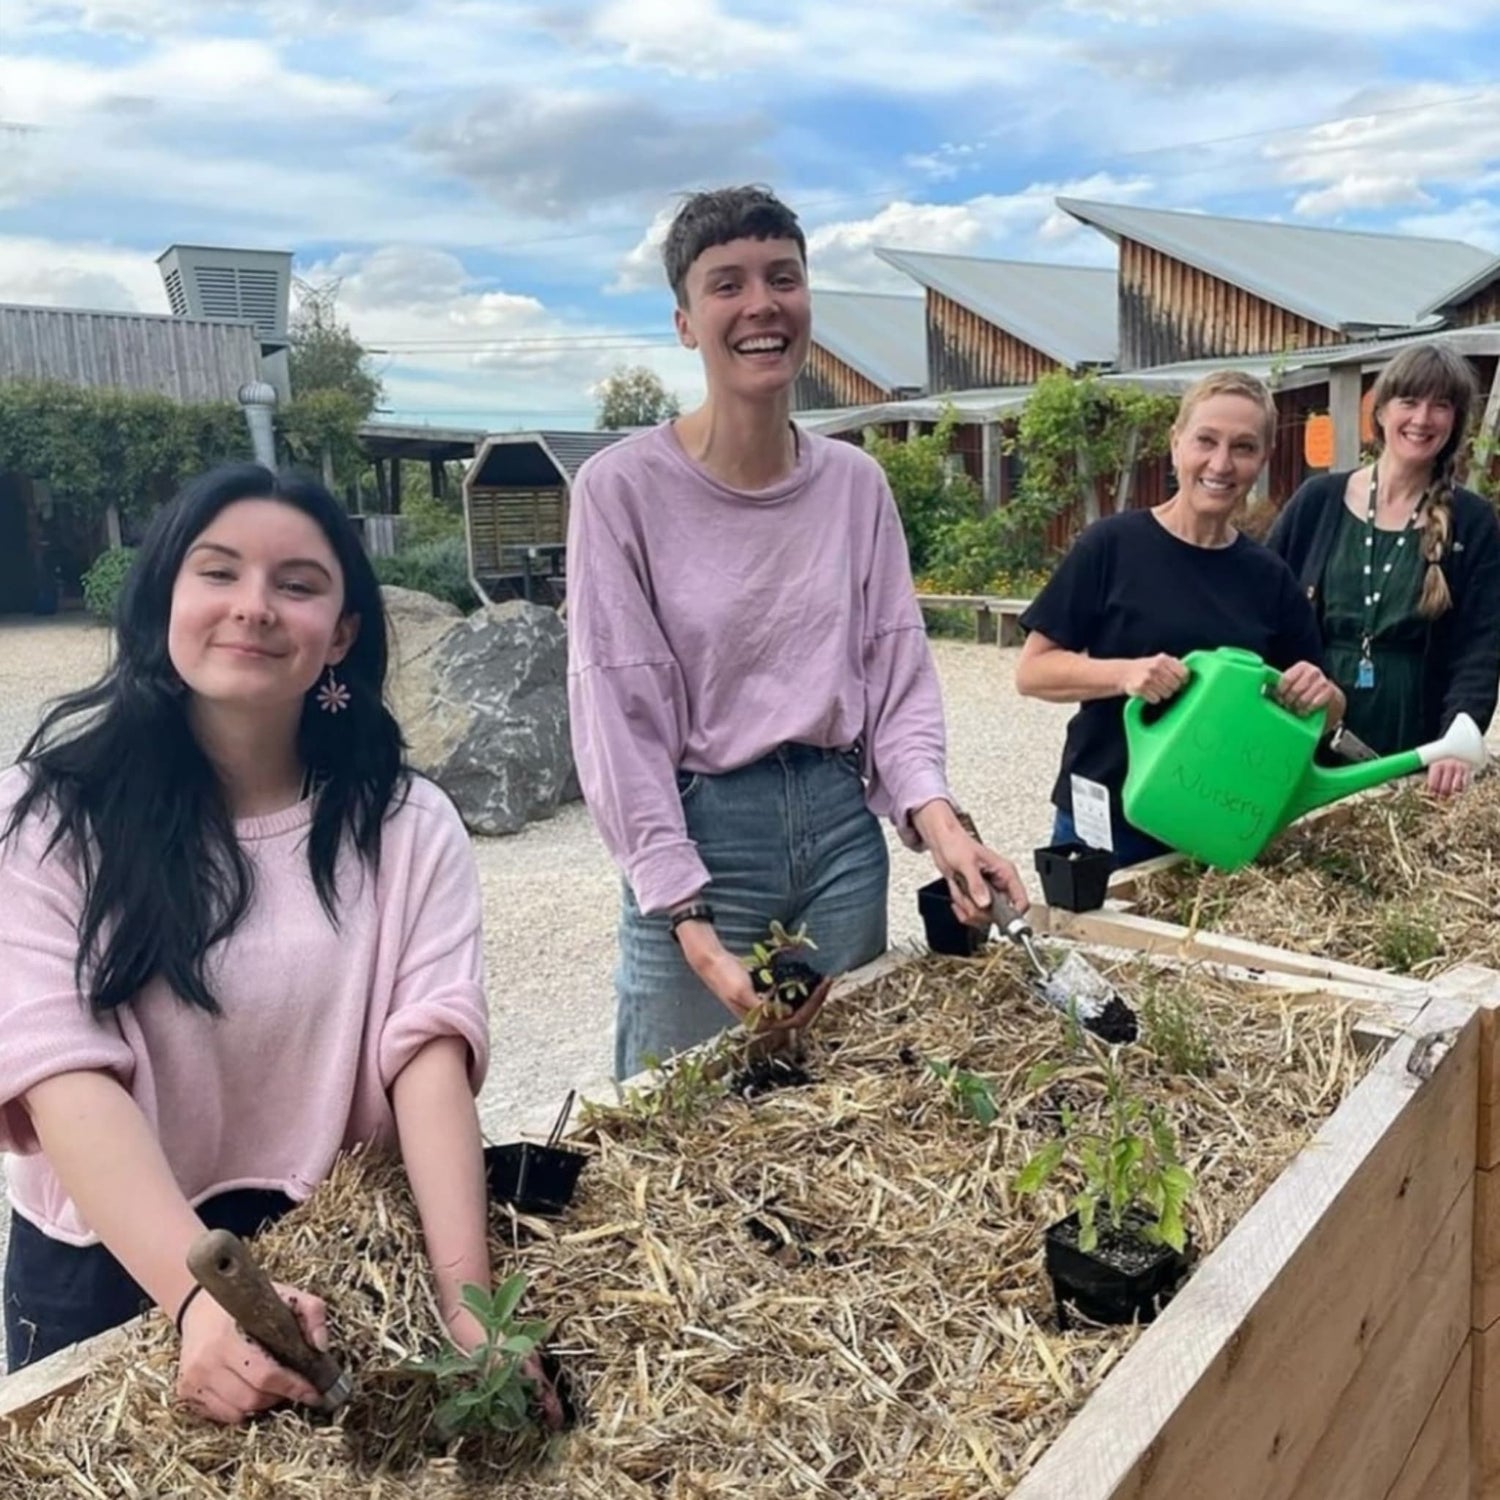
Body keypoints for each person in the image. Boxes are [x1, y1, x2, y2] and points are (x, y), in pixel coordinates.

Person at [0, 464, 556, 1428]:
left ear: (341, 634)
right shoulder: (49, 819)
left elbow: (427, 1054)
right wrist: (198, 1306)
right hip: (107, 1265)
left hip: (334, 1248)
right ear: (166, 595)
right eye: (218, 573)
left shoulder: (405, 825)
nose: (254, 608)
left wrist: (471, 1309)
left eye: (297, 585)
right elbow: (60, 1076)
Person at [566, 184, 1028, 1082]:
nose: (761, 305)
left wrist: (943, 827)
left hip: (839, 833)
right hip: (705, 838)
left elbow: (895, 683)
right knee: (679, 1124)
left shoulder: (854, 487)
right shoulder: (621, 492)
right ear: (684, 322)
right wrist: (683, 916)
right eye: (726, 285)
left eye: (783, 277)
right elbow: (617, 719)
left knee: (836, 1110)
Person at [1015, 370, 1344, 869]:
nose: (1221, 463)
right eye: (1205, 441)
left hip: (1211, 822)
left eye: (1243, 447)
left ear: (1262, 460)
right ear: (1175, 444)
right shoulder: (1111, 546)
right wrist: (1125, 674)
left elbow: (1325, 717)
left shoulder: (1269, 578)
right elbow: (1033, 672)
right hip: (1106, 817)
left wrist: (1323, 695)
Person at [1266, 341, 1500, 795]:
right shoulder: (1316, 503)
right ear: (1380, 410)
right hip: (1308, 724)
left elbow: (1480, 646)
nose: (1422, 418)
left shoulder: (1472, 522)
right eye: (1409, 401)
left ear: (1454, 422)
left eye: (1441, 405)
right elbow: (1262, 610)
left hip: (1416, 736)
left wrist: (1459, 738)